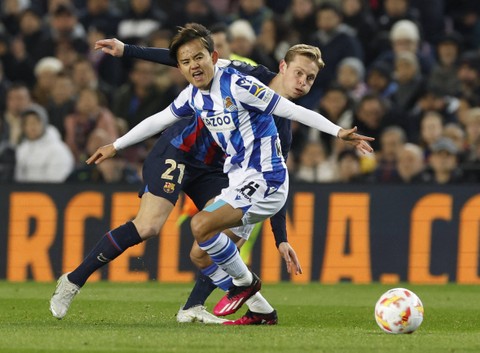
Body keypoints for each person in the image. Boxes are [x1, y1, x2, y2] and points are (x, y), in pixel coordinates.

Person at [50, 23, 373, 324]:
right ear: (283, 67)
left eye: (310, 78)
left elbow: (276, 176)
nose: (302, 83)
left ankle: (198, 305)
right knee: (148, 226)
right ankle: (73, 280)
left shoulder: (283, 129)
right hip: (179, 150)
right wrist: (128, 51)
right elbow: (187, 59)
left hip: (218, 168)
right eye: (299, 73)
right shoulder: (243, 75)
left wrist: (281, 238)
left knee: (218, 237)